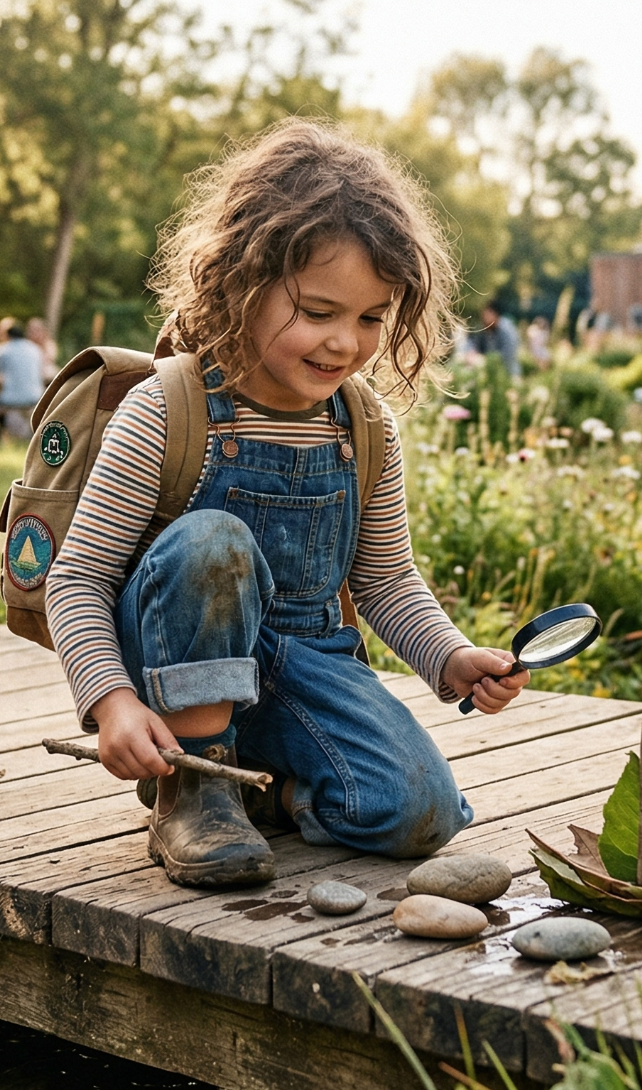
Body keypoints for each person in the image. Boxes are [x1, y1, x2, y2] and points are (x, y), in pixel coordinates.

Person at [44, 119, 530, 888]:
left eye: (372, 318)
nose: (345, 343)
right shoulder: (166, 410)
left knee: (421, 814)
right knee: (212, 543)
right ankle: (196, 782)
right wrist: (109, 704)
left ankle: (265, 791)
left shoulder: (364, 426)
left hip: (302, 662)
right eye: (318, 311)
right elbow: (78, 581)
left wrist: (452, 656)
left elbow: (386, 580)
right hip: (179, 658)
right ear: (242, 283)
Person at [0, 324, 45, 440]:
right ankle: (26, 434)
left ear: (8, 336)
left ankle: (2, 433)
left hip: (11, 398)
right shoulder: (34, 349)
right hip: (36, 395)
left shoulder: (3, 350)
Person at [469, 303, 520, 380]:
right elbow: (475, 345)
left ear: (495, 314)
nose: (484, 318)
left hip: (508, 373)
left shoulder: (507, 329)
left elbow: (508, 354)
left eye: (487, 315)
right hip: (490, 374)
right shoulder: (484, 329)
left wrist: (486, 359)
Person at [26, 316, 60, 383]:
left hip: (45, 372)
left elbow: (50, 360)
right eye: (32, 331)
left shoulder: (49, 344)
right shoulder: (26, 345)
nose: (35, 334)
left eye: (37, 330)